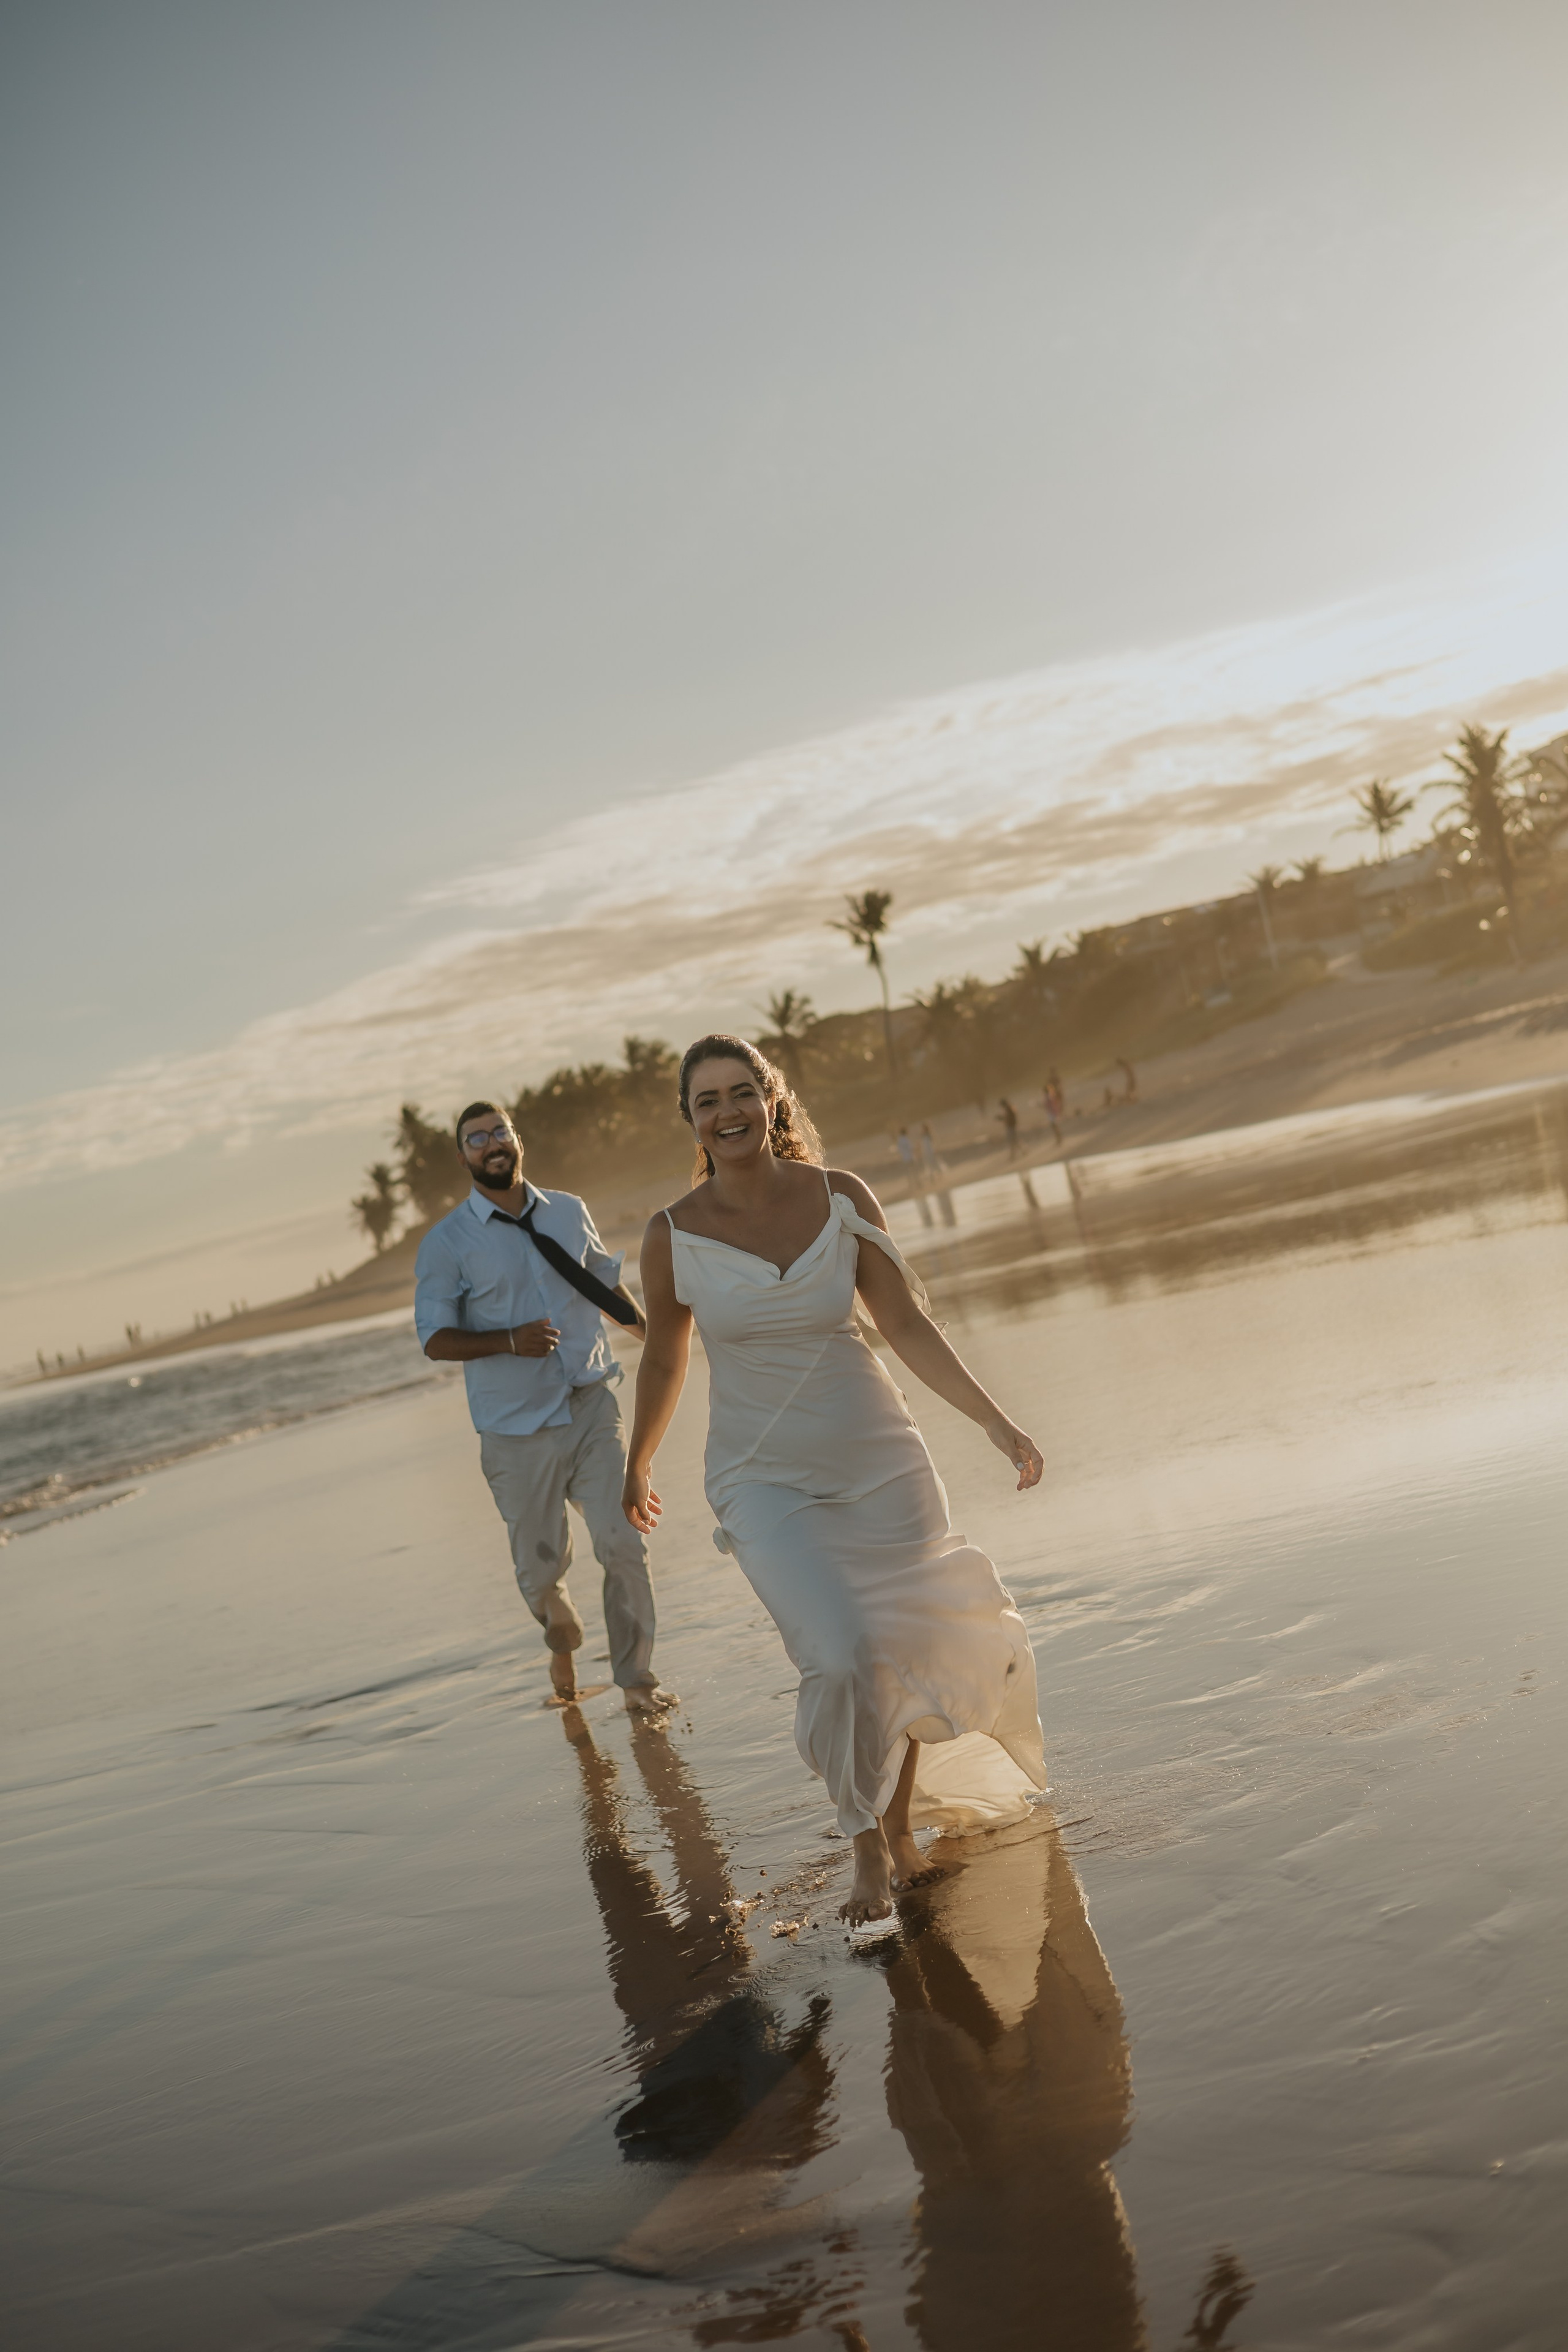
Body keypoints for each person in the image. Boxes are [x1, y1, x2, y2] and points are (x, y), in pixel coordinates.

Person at [624, 1035, 1046, 1937]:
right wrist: (639, 1460)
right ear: (690, 1119)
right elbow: (665, 1355)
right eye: (709, 1101)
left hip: (879, 1459)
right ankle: (863, 1838)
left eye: (744, 1093)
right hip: (761, 1479)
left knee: (896, 1646)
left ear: (772, 1101)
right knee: (846, 1649)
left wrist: (993, 1420)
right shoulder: (671, 1235)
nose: (728, 1112)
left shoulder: (843, 1198)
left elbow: (903, 1323)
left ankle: (895, 1831)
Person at [415, 1101, 676, 1715]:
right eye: (475, 1139)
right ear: (463, 1158)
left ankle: (637, 1684)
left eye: (499, 1131)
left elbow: (601, 1286)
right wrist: (509, 1341)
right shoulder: (447, 1244)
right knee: (539, 1567)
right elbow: (434, 1339)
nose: (490, 1144)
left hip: (590, 1404)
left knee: (624, 1543)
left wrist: (662, 1341)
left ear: (517, 1140)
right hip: (514, 1432)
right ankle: (558, 1623)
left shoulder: (567, 1210)